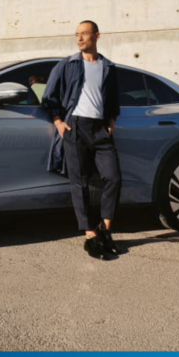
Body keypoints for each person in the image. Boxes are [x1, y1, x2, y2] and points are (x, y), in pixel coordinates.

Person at [42, 20, 126, 260]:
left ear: (97, 36)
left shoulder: (108, 67)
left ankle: (105, 230)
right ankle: (90, 236)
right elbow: (49, 96)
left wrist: (111, 121)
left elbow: (112, 99)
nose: (79, 38)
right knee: (80, 182)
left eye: (85, 34)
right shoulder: (66, 65)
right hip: (75, 126)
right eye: (77, 34)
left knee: (113, 177)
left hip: (100, 129)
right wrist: (59, 122)